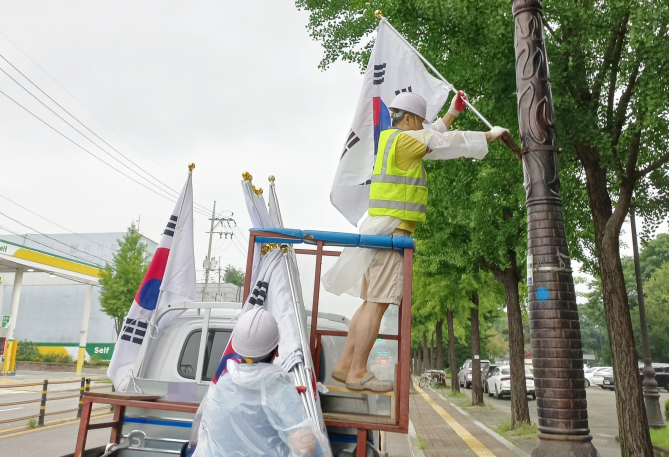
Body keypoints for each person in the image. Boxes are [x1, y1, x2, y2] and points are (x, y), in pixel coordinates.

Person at [326, 91, 509, 392]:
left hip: (377, 228)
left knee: (369, 303)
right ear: (409, 118)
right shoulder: (407, 141)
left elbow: (432, 134)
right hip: (393, 232)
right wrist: (489, 135)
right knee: (378, 304)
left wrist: (453, 111)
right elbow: (443, 142)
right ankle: (358, 372)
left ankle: (346, 364)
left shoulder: (391, 139)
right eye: (420, 121)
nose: (423, 126)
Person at [195, 308, 325, 457]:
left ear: (237, 349)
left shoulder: (223, 385)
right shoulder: (280, 393)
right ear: (276, 351)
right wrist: (287, 402)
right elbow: (306, 448)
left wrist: (282, 398)